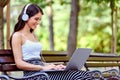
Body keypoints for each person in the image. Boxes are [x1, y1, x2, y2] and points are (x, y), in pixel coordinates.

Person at [10, 3, 91, 80]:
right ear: (26, 17)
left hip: (43, 72)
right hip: (33, 75)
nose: (38, 22)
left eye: (40, 19)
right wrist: (42, 67)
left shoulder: (34, 36)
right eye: (36, 19)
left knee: (85, 74)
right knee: (75, 75)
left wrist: (54, 66)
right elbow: (19, 63)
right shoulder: (17, 36)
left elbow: (38, 61)